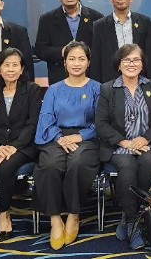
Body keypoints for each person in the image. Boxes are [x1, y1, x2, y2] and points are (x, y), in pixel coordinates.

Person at [95, 44, 151, 250]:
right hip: (120, 145)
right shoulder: (108, 89)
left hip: (147, 144)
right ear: (119, 65)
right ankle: (135, 220)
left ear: (143, 64)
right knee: (126, 166)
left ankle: (129, 215)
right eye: (126, 60)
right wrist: (125, 142)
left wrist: (145, 139)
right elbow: (101, 123)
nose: (131, 64)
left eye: (136, 60)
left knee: (150, 160)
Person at [33, 41, 102, 250]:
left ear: (88, 62)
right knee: (49, 165)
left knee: (78, 163)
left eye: (81, 58)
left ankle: (73, 214)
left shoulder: (97, 88)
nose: (76, 63)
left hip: (86, 139)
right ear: (64, 63)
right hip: (57, 137)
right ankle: (55, 219)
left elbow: (101, 122)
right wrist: (59, 138)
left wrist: (79, 136)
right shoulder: (54, 89)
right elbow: (46, 118)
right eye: (72, 59)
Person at [0, 48, 42, 242]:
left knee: (5, 168)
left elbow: (33, 123)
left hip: (22, 147)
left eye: (15, 65)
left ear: (22, 69)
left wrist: (15, 146)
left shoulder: (32, 90)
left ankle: (5, 213)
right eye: (6, 65)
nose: (11, 69)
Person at [35, 0, 104, 84]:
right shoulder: (47, 19)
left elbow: (102, 51)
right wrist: (62, 52)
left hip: (90, 79)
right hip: (60, 80)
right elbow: (40, 50)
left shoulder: (97, 18)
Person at [91, 0, 151, 83]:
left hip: (140, 80)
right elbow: (96, 60)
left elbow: (150, 55)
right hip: (110, 82)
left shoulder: (145, 22)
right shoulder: (99, 26)